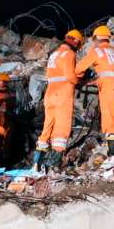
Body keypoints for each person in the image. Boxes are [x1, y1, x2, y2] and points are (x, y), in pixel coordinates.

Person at [74, 25, 114, 158]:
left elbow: (78, 69)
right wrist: (97, 80)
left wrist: (81, 78)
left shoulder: (97, 51)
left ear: (96, 38)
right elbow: (112, 71)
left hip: (111, 89)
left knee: (110, 121)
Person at [33, 29, 83, 171]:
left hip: (50, 94)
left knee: (47, 128)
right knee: (61, 131)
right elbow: (69, 76)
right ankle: (53, 166)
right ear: (76, 42)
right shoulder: (69, 54)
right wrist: (79, 80)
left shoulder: (54, 54)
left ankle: (37, 164)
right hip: (62, 95)